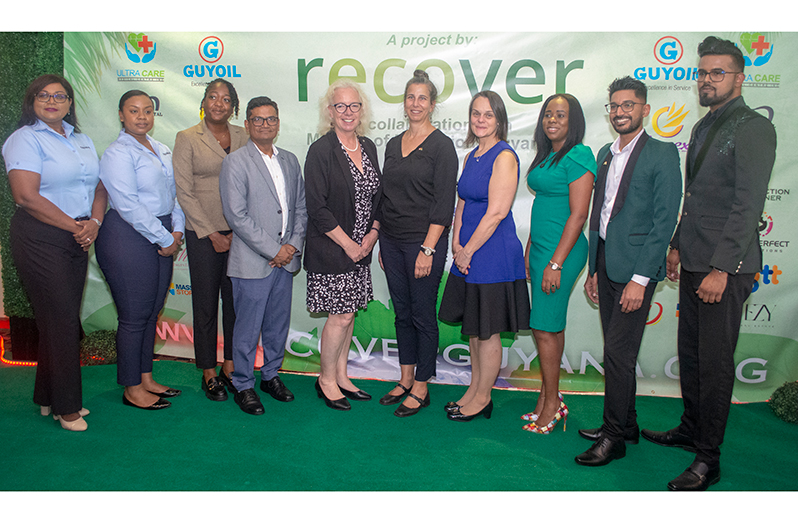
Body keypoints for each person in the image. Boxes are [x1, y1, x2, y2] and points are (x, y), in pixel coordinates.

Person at [641, 36, 776, 491]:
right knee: (694, 356)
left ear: (740, 78)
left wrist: (722, 267)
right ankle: (691, 429)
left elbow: (747, 203)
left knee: (716, 364)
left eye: (717, 73)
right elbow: (693, 196)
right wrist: (677, 244)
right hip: (696, 257)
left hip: (726, 267)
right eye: (702, 73)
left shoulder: (753, 126)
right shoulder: (702, 127)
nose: (706, 80)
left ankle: (708, 459)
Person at [574, 77, 681, 466]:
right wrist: (593, 270)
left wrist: (640, 279)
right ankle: (628, 424)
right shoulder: (605, 152)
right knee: (617, 353)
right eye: (614, 106)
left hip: (636, 272)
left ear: (645, 109)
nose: (620, 112)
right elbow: (600, 216)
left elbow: (663, 220)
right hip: (606, 266)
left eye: (629, 105)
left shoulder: (662, 153)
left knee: (618, 354)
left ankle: (614, 437)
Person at [3, 74, 107, 431]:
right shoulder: (24, 139)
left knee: (56, 320)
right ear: (31, 101)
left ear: (70, 102)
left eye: (60, 96)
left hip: (78, 235)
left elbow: (99, 185)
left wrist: (93, 221)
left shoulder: (81, 139)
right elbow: (26, 196)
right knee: (62, 322)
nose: (52, 101)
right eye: (43, 95)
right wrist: (77, 227)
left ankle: (47, 396)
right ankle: (68, 408)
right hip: (41, 237)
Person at [438, 91, 530, 422]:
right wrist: (455, 244)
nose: (480, 120)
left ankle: (483, 397)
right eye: (476, 113)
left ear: (500, 120)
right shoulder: (471, 156)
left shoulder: (504, 157)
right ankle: (474, 390)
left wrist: (468, 250)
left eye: (488, 115)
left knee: (488, 331)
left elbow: (496, 213)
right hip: (467, 252)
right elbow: (462, 202)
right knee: (475, 329)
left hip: (492, 253)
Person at [95, 89, 185, 410]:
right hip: (127, 235)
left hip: (161, 231)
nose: (142, 116)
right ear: (121, 115)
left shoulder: (161, 149)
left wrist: (176, 229)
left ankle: (146, 378)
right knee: (134, 316)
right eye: (134, 111)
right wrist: (165, 239)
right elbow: (128, 205)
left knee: (151, 311)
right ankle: (131, 388)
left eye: (147, 111)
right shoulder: (117, 153)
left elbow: (176, 196)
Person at [219, 96, 307, 416]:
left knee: (276, 325)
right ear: (247, 124)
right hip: (254, 261)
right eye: (258, 119)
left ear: (279, 124)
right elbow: (237, 216)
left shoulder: (291, 160)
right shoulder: (236, 162)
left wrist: (292, 246)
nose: (265, 124)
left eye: (271, 119)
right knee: (247, 328)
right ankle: (243, 384)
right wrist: (274, 250)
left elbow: (300, 209)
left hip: (285, 261)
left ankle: (270, 375)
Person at [377, 70, 458, 417]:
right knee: (402, 313)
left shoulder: (442, 146)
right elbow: (385, 195)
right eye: (410, 97)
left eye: (422, 98)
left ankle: (423, 385)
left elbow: (444, 204)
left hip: (424, 243)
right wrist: (381, 240)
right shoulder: (394, 144)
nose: (415, 103)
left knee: (423, 315)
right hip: (392, 242)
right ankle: (405, 377)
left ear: (433, 104)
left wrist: (428, 249)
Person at [304, 79, 382, 411]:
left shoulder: (369, 146)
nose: (347, 112)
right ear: (330, 111)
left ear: (361, 110)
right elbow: (316, 207)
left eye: (354, 106)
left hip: (362, 250)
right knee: (340, 317)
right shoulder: (321, 150)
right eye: (340, 106)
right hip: (333, 249)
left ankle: (341, 374)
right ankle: (325, 380)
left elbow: (379, 197)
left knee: (348, 317)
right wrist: (349, 244)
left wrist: (373, 234)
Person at [522, 94, 595, 434]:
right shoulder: (549, 154)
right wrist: (530, 247)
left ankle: (553, 404)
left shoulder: (579, 154)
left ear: (573, 120)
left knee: (545, 328)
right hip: (542, 249)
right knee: (547, 326)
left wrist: (555, 262)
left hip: (561, 253)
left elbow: (579, 214)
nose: (552, 119)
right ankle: (546, 397)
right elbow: (544, 208)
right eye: (548, 114)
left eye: (561, 114)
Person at [174, 78, 247, 401]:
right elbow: (184, 193)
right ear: (203, 101)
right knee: (205, 304)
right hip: (204, 235)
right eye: (213, 97)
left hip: (241, 235)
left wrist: (240, 231)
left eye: (226, 99)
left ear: (234, 106)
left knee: (235, 304)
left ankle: (230, 366)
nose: (219, 103)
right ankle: (207, 370)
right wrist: (212, 234)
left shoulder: (245, 136)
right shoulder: (187, 138)